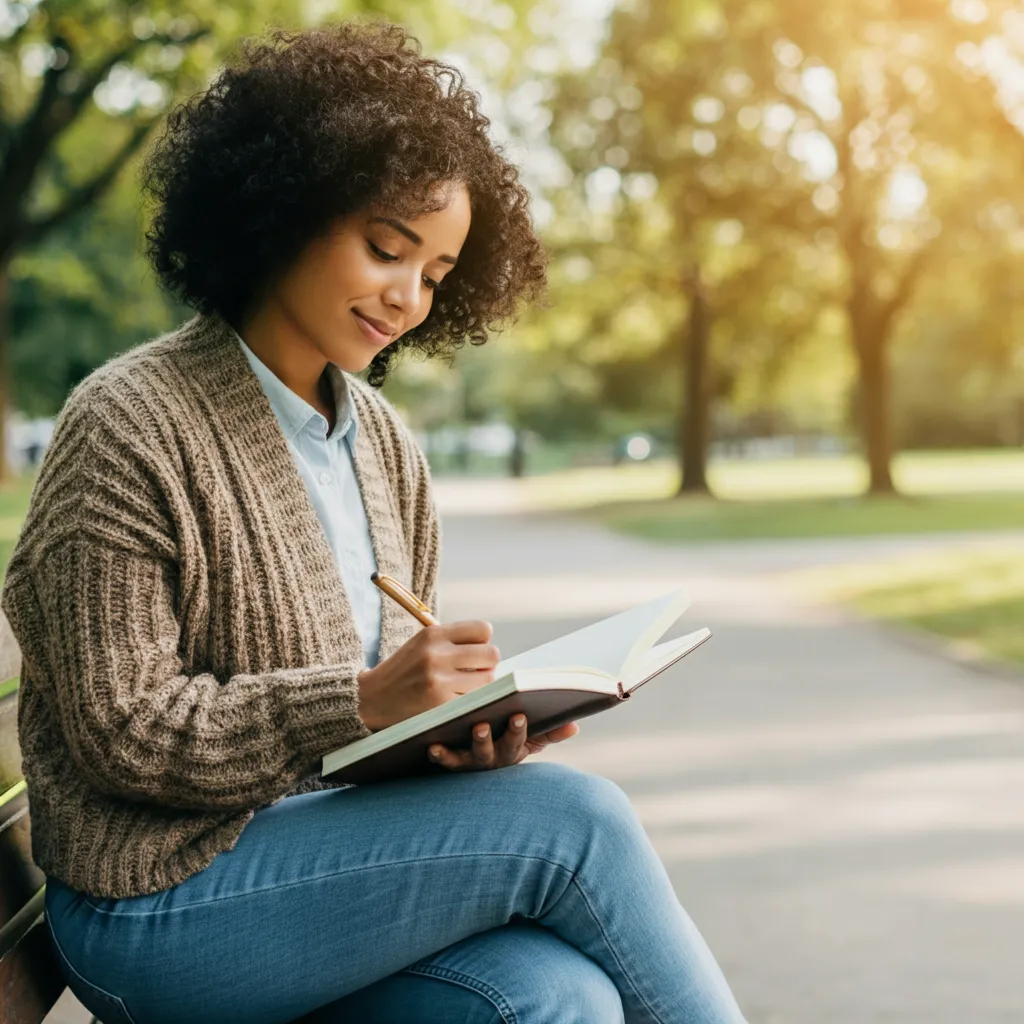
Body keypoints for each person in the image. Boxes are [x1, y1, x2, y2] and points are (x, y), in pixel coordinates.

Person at [1, 21, 746, 1024]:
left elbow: (366, 732)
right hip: (157, 905)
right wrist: (354, 701)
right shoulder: (126, 425)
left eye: (438, 275)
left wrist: (449, 739)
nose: (408, 298)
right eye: (387, 248)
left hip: (313, 880)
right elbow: (122, 729)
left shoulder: (384, 445)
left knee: (554, 998)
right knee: (575, 821)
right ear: (287, 207)